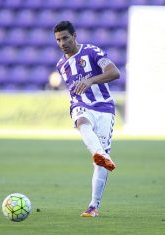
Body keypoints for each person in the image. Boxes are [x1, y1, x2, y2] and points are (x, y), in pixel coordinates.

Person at [54, 21, 120, 217]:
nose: (62, 43)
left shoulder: (92, 51)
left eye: (65, 38)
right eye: (58, 40)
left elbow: (114, 72)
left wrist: (90, 80)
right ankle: (101, 153)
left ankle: (93, 206)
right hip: (80, 105)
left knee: (99, 165)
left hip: (104, 108)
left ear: (74, 36)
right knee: (81, 121)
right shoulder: (61, 65)